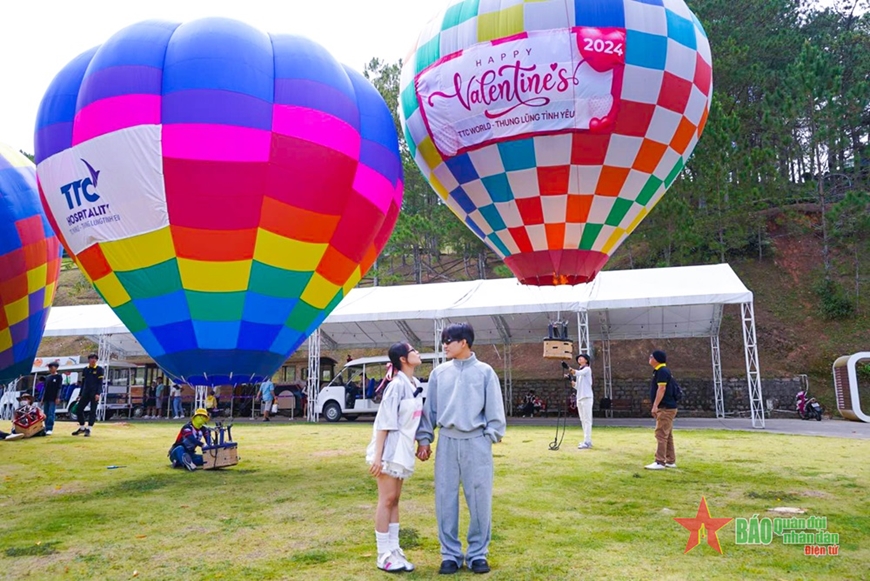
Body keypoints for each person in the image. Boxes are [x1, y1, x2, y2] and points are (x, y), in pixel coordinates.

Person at [415, 322, 506, 575]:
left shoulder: (485, 372)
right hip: (446, 441)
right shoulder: (439, 373)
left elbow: (495, 411)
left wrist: (489, 436)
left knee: (479, 499)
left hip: (477, 441)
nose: (444, 345)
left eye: (448, 341)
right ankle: (450, 555)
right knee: (445, 498)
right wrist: (424, 439)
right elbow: (430, 410)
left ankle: (478, 554)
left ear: (463, 342)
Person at [366, 342, 425, 573]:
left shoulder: (414, 384)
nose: (417, 353)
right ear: (403, 358)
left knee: (395, 499)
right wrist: (378, 457)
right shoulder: (395, 386)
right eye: (413, 351)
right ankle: (383, 554)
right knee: (386, 499)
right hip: (390, 449)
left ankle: (395, 548)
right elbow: (383, 423)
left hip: (403, 449)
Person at [645, 350, 678, 470]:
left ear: (656, 359)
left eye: (651, 357)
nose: (649, 358)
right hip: (668, 407)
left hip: (665, 408)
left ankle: (659, 461)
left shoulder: (662, 371)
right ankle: (670, 460)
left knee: (661, 434)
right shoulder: (662, 371)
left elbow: (661, 389)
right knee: (667, 435)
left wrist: (655, 405)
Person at [72, 354, 104, 437]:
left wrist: (98, 393)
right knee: (79, 409)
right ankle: (82, 427)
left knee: (92, 411)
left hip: (94, 393)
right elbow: (83, 383)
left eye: (95, 359)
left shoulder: (99, 369)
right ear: (89, 360)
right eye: (91, 359)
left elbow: (100, 383)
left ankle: (89, 429)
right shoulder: (85, 369)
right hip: (85, 393)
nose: (93, 360)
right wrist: (80, 394)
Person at [567, 354, 594, 449]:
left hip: (587, 397)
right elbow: (577, 386)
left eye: (581, 357)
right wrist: (570, 379)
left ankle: (587, 442)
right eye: (578, 358)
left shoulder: (587, 369)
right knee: (583, 420)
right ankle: (586, 440)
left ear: (586, 360)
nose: (579, 358)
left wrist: (568, 368)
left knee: (587, 420)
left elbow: (577, 373)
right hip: (580, 397)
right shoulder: (580, 371)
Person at [41, 361, 63, 435]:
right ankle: (46, 427)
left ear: (56, 368)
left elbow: (59, 388)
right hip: (46, 397)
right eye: (49, 368)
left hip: (53, 398)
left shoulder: (59, 377)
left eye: (52, 367)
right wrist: (42, 398)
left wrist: (58, 397)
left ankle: (50, 428)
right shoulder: (47, 377)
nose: (50, 369)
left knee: (51, 413)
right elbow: (45, 389)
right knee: (45, 413)